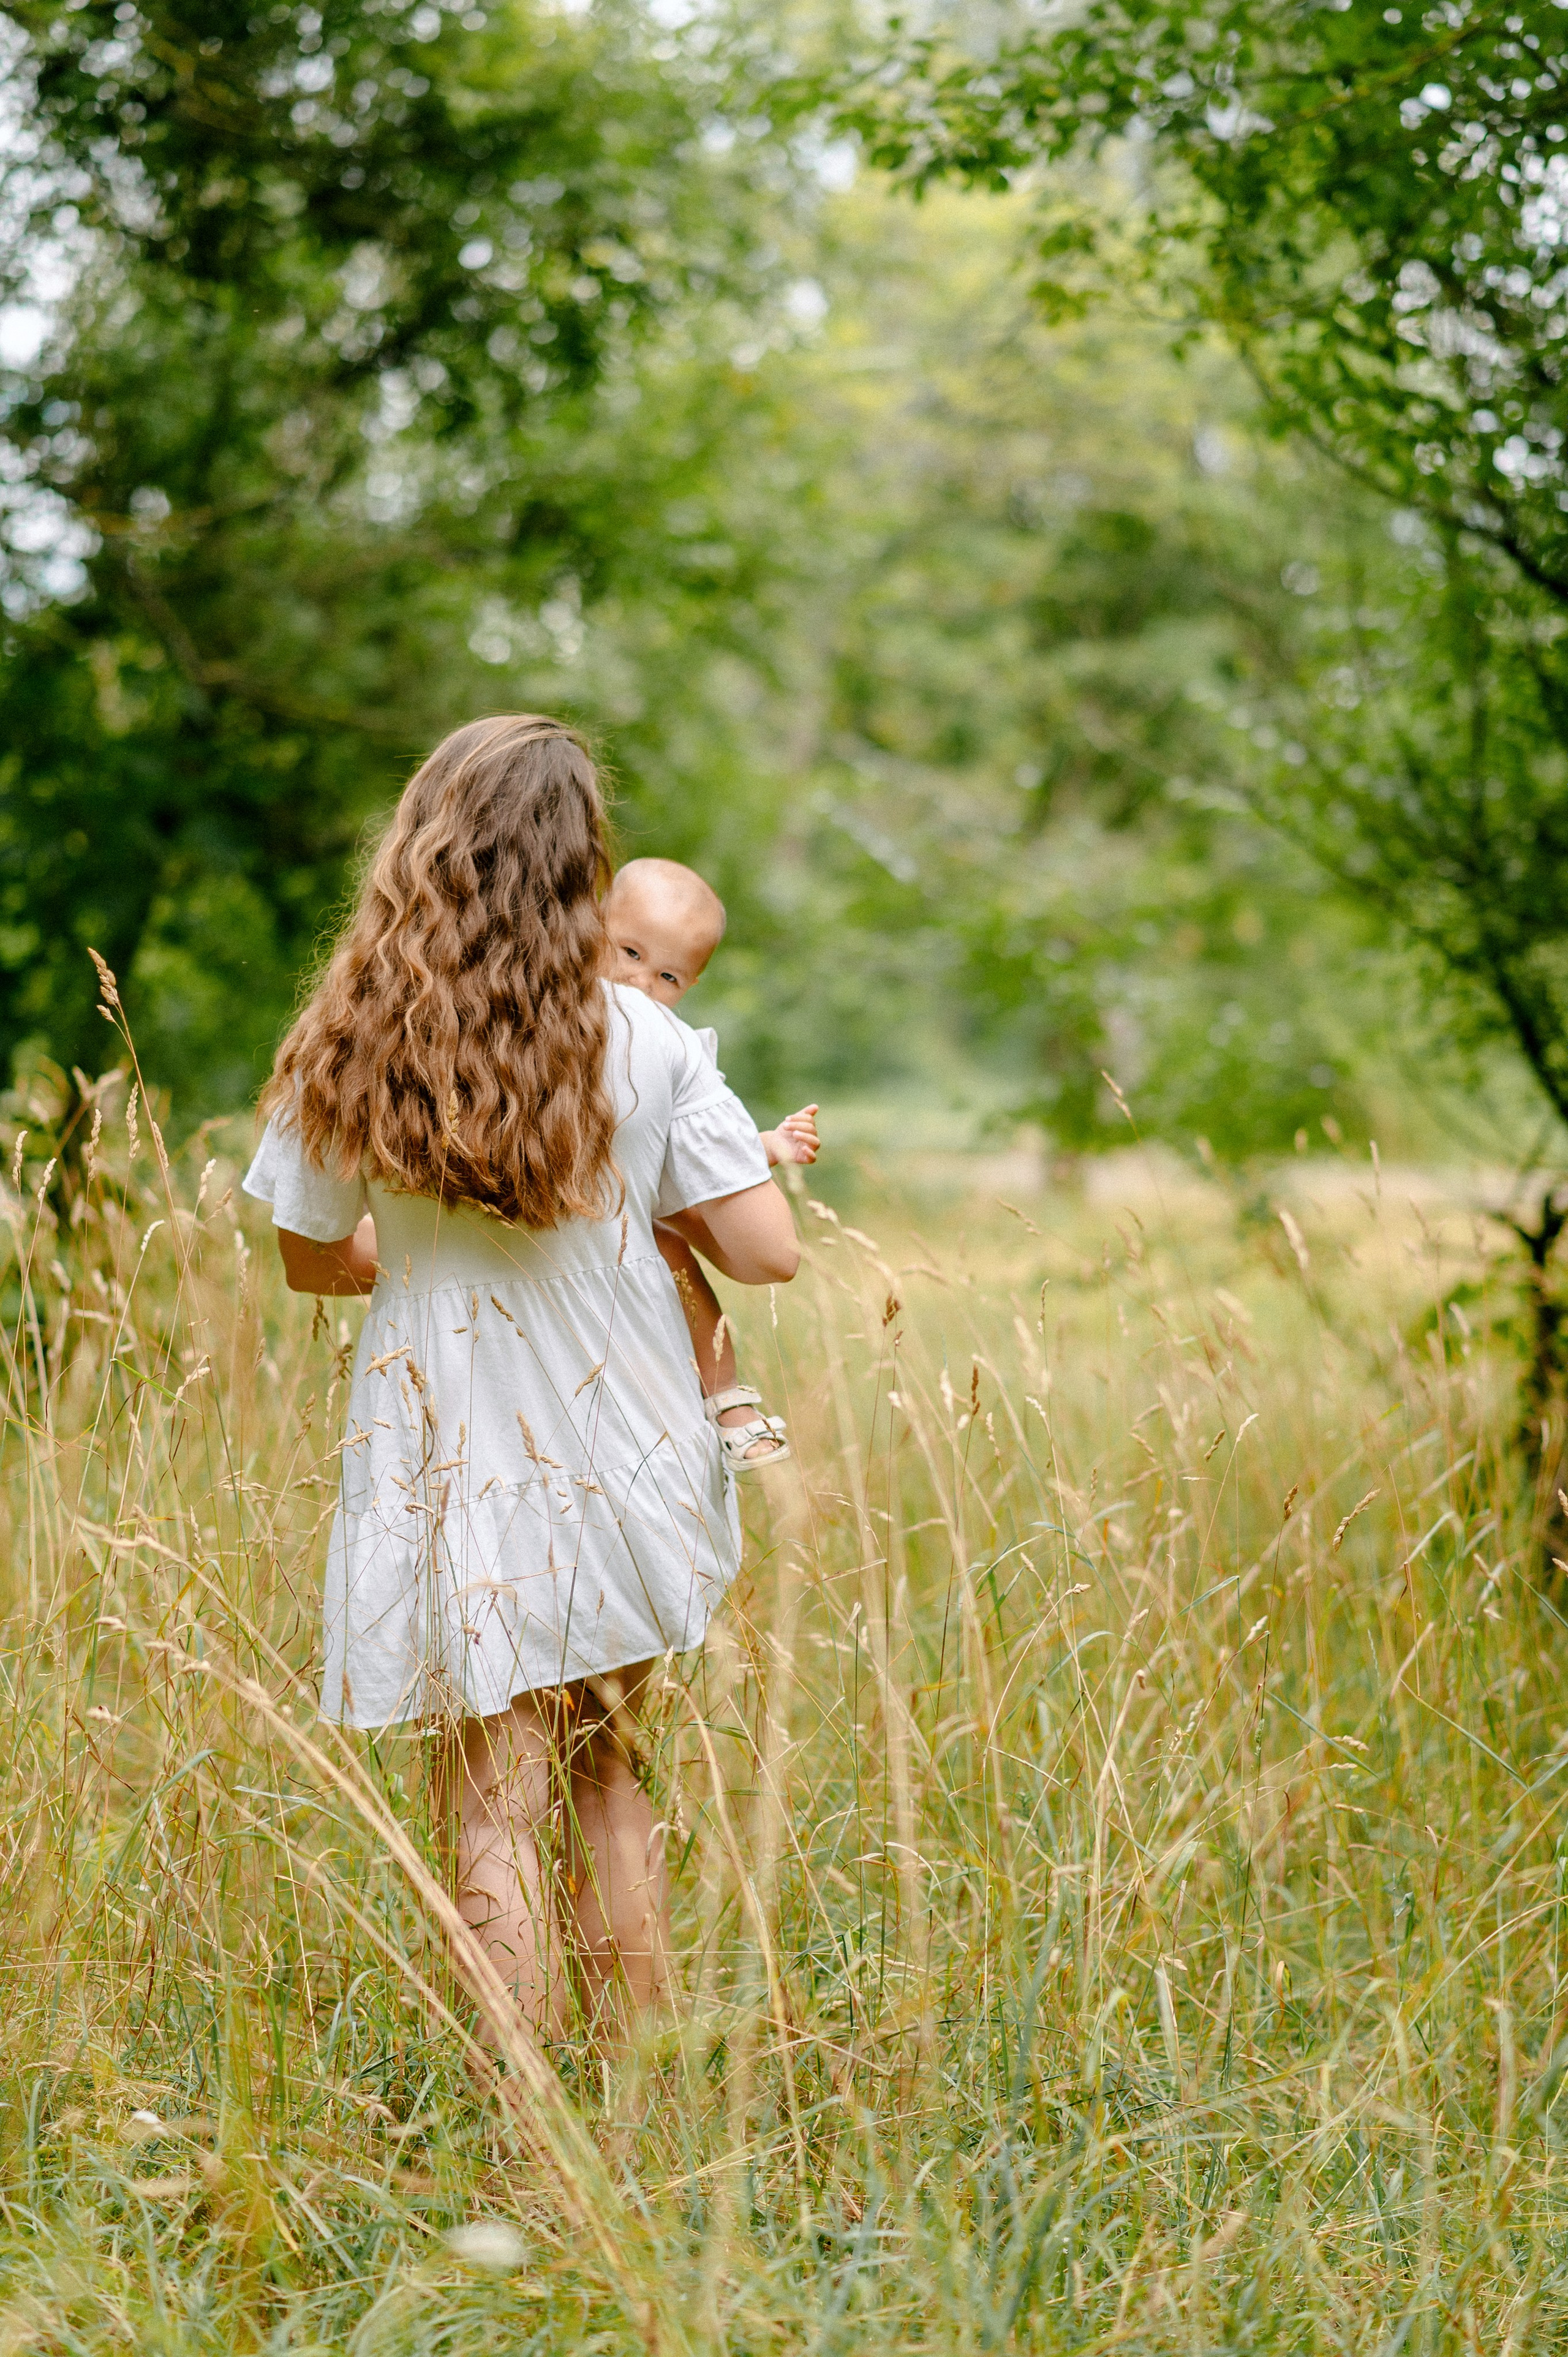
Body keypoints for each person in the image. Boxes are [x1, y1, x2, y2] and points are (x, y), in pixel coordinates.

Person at [242, 715, 800, 2043]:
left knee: (488, 1803)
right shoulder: (646, 1039)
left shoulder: (355, 1035)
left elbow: (313, 1258)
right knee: (607, 1772)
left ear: (424, 843)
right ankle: (634, 2106)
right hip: (627, 1450)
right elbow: (764, 1252)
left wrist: (437, 1256)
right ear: (579, 866)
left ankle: (525, 2143)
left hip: (453, 1461)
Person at [602, 856, 819, 1472]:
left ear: (689, 986)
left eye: (667, 974)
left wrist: (770, 1146)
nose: (642, 982)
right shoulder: (556, 1017)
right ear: (590, 928)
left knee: (672, 1248)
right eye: (629, 952)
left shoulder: (675, 1048)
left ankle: (727, 1400)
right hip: (575, 1209)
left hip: (640, 1210)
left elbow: (701, 1157)